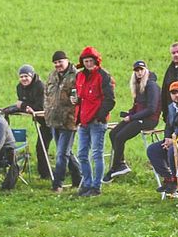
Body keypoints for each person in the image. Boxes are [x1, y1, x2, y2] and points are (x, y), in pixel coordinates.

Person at [105, 60, 161, 181]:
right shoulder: (139, 85)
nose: (139, 72)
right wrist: (129, 113)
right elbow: (137, 106)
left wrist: (132, 117)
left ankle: (115, 167)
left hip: (149, 120)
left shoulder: (152, 86)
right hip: (138, 117)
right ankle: (121, 163)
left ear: (146, 70)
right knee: (113, 133)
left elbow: (151, 109)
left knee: (120, 137)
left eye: (141, 69)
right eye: (136, 70)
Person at [73, 46, 115, 197]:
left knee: (96, 154)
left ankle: (96, 186)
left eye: (91, 61)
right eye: (86, 61)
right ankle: (87, 183)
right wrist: (75, 102)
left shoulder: (104, 76)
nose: (88, 64)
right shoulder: (79, 76)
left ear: (96, 61)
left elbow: (110, 100)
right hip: (83, 121)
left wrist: (99, 116)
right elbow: (80, 96)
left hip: (97, 122)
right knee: (82, 154)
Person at [5, 65, 51, 179]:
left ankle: (76, 174)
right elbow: (22, 105)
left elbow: (39, 106)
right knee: (40, 148)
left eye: (26, 76)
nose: (24, 79)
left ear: (32, 76)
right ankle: (45, 175)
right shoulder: (19, 87)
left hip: (52, 121)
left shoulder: (40, 86)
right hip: (42, 123)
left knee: (64, 151)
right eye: (21, 77)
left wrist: (24, 106)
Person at [44, 50, 80, 194]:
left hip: (69, 120)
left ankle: (57, 184)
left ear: (67, 60)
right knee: (66, 152)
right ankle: (79, 178)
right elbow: (46, 94)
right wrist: (47, 110)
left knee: (61, 154)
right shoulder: (52, 75)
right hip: (54, 119)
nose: (58, 65)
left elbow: (79, 97)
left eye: (60, 62)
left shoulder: (76, 75)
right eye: (55, 63)